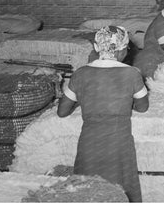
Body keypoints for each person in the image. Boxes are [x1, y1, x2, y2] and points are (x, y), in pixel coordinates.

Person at [57, 25, 149, 202]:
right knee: (120, 188)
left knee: (86, 189)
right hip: (118, 142)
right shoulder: (131, 74)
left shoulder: (80, 74)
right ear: (122, 50)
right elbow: (142, 107)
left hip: (89, 143)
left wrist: (83, 98)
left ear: (96, 47)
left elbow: (62, 111)